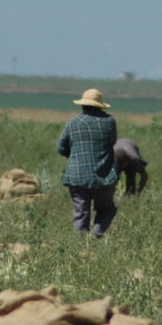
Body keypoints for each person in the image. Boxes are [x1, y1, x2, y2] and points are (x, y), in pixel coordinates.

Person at [56, 88, 119, 237]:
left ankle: (80, 247)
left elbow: (60, 147)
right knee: (106, 209)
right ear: (100, 106)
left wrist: (73, 157)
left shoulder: (72, 123)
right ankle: (96, 235)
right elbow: (112, 142)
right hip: (103, 176)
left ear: (83, 105)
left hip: (76, 176)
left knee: (80, 213)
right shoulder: (109, 122)